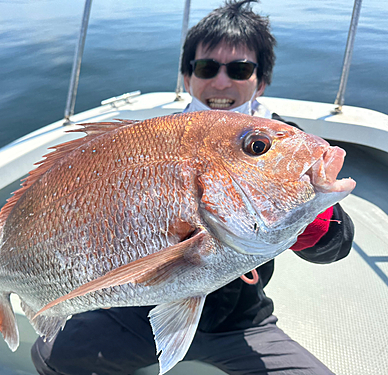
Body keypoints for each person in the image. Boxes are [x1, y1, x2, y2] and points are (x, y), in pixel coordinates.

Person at [31, 1, 354, 374]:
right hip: (139, 307)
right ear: (187, 77)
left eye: (240, 69)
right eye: (206, 68)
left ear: (260, 81)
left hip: (242, 319)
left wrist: (307, 216)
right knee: (51, 359)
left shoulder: (285, 139)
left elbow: (337, 247)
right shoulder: (151, 140)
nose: (221, 82)